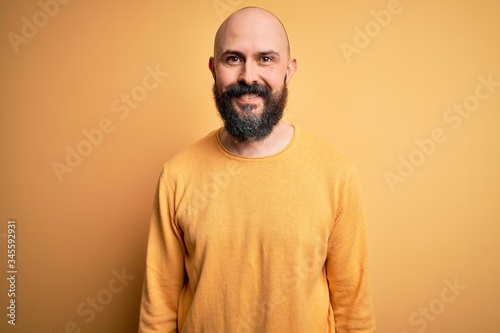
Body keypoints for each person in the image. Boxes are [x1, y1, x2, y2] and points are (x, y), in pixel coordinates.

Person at [138, 6, 376, 333]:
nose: (248, 76)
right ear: (213, 68)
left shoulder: (337, 175)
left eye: (266, 59)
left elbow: (353, 309)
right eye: (233, 58)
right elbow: (158, 311)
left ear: (288, 71)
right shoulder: (177, 176)